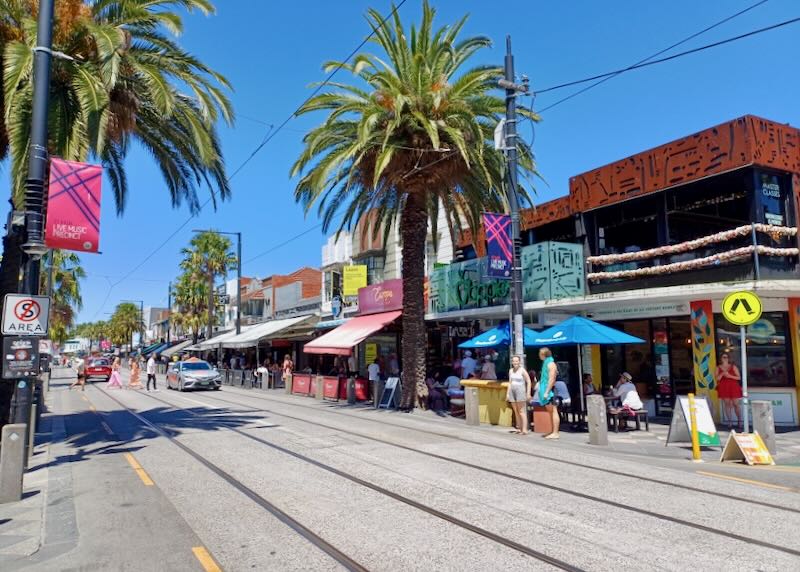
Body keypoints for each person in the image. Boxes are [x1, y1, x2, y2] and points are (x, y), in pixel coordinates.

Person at [506, 355, 532, 435]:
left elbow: (529, 381)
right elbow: (510, 383)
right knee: (515, 411)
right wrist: (507, 393)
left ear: (519, 362)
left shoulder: (522, 370)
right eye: (513, 361)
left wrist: (528, 393)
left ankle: (524, 429)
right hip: (512, 390)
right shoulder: (511, 371)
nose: (515, 362)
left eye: (516, 361)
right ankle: (519, 428)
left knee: (521, 411)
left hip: (520, 390)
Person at [715, 353, 742, 429]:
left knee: (736, 404)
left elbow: (739, 377)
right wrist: (723, 373)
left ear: (728, 358)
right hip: (724, 387)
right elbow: (717, 379)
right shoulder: (718, 368)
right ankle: (730, 422)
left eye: (726, 357)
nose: (725, 358)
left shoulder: (733, 367)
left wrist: (729, 376)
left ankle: (739, 421)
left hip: (733, 386)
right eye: (723, 357)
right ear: (721, 358)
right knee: (727, 404)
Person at [538, 348, 559, 439]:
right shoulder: (546, 363)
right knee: (550, 411)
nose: (539, 355)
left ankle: (556, 432)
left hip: (550, 390)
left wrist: (547, 391)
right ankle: (552, 430)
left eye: (540, 353)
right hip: (546, 389)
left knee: (553, 411)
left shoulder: (551, 364)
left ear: (543, 354)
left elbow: (551, 379)